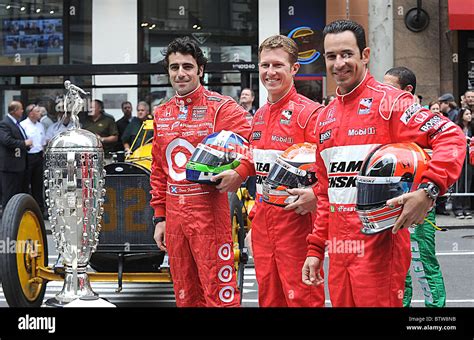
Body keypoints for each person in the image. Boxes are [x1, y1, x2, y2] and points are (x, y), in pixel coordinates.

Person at [302, 19, 465, 307]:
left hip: (381, 250)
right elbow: (325, 194)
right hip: (340, 253)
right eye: (331, 56)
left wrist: (428, 191)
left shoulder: (391, 102)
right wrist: (316, 249)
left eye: (347, 54)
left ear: (364, 55)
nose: (339, 63)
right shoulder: (324, 117)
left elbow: (451, 136)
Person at [214, 35, 326, 307]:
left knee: (303, 300)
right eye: (265, 65)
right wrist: (239, 172)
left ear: (294, 69)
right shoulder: (260, 115)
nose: (270, 72)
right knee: (269, 300)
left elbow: (330, 172)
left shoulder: (311, 115)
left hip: (298, 226)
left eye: (278, 65)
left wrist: (315, 194)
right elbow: (258, 162)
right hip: (264, 225)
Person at [150, 36, 251, 307]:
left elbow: (254, 143)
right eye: (174, 68)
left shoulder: (222, 107)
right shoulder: (161, 113)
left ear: (200, 70)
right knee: (185, 295)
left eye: (187, 66)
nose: (180, 73)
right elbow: (159, 169)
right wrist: (159, 217)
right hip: (173, 217)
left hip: (209, 213)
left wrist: (240, 172)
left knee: (219, 292)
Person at [383, 66, 447, 308]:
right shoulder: (386, 120)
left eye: (390, 87)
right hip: (389, 207)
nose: (384, 93)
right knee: (399, 269)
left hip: (419, 208)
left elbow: (451, 150)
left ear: (408, 90)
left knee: (423, 265)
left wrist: (429, 188)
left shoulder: (426, 121)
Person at [0, 101, 32, 209]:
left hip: (20, 165)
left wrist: (26, 146)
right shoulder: (5, 123)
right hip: (10, 167)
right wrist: (24, 143)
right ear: (14, 111)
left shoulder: (17, 123)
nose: (22, 111)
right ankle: (7, 219)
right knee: (9, 194)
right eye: (21, 109)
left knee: (19, 194)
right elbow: (7, 141)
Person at [20, 104, 47, 217]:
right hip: (28, 156)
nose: (40, 113)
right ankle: (25, 208)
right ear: (31, 113)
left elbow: (43, 142)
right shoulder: (23, 125)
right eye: (37, 111)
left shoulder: (40, 125)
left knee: (38, 184)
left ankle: (39, 210)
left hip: (39, 156)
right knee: (26, 183)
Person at [453, 107, 473, 219]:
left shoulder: (472, 127)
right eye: (467, 114)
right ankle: (458, 208)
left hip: (469, 158)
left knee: (468, 182)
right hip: (459, 157)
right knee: (459, 184)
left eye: (470, 113)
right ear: (462, 116)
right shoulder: (457, 127)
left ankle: (466, 208)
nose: (469, 116)